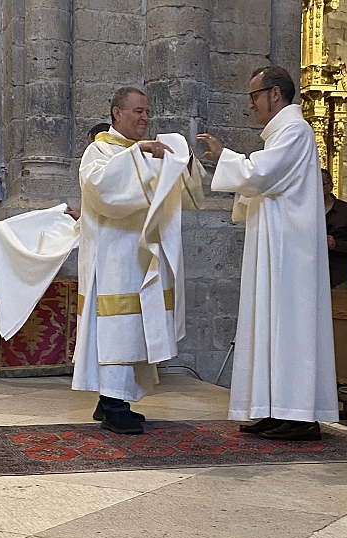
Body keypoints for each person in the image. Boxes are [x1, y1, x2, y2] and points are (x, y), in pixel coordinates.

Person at [198, 66, 338, 441]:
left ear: (275, 94)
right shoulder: (282, 135)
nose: (251, 105)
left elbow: (260, 176)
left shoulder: (294, 131)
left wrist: (224, 156)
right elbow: (262, 183)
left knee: (289, 328)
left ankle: (299, 414)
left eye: (254, 96)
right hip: (278, 249)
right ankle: (276, 408)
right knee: (271, 325)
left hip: (291, 255)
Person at [73, 86, 205, 434]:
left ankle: (111, 402)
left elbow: (185, 194)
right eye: (138, 112)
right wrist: (138, 156)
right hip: (114, 259)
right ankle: (115, 405)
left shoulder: (144, 153)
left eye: (147, 112)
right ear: (117, 113)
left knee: (134, 333)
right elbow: (102, 189)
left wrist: (184, 161)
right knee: (118, 330)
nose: (145, 118)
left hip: (141, 257)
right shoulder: (99, 150)